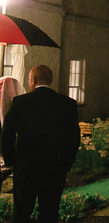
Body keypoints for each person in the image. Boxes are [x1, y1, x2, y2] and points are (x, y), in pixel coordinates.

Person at [0, 65, 80, 223]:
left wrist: (12, 160)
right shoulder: (67, 104)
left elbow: (7, 134)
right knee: (49, 214)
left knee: (21, 214)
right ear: (50, 80)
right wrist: (66, 163)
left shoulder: (21, 103)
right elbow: (74, 138)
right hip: (54, 169)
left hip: (26, 169)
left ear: (34, 80)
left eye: (29, 80)